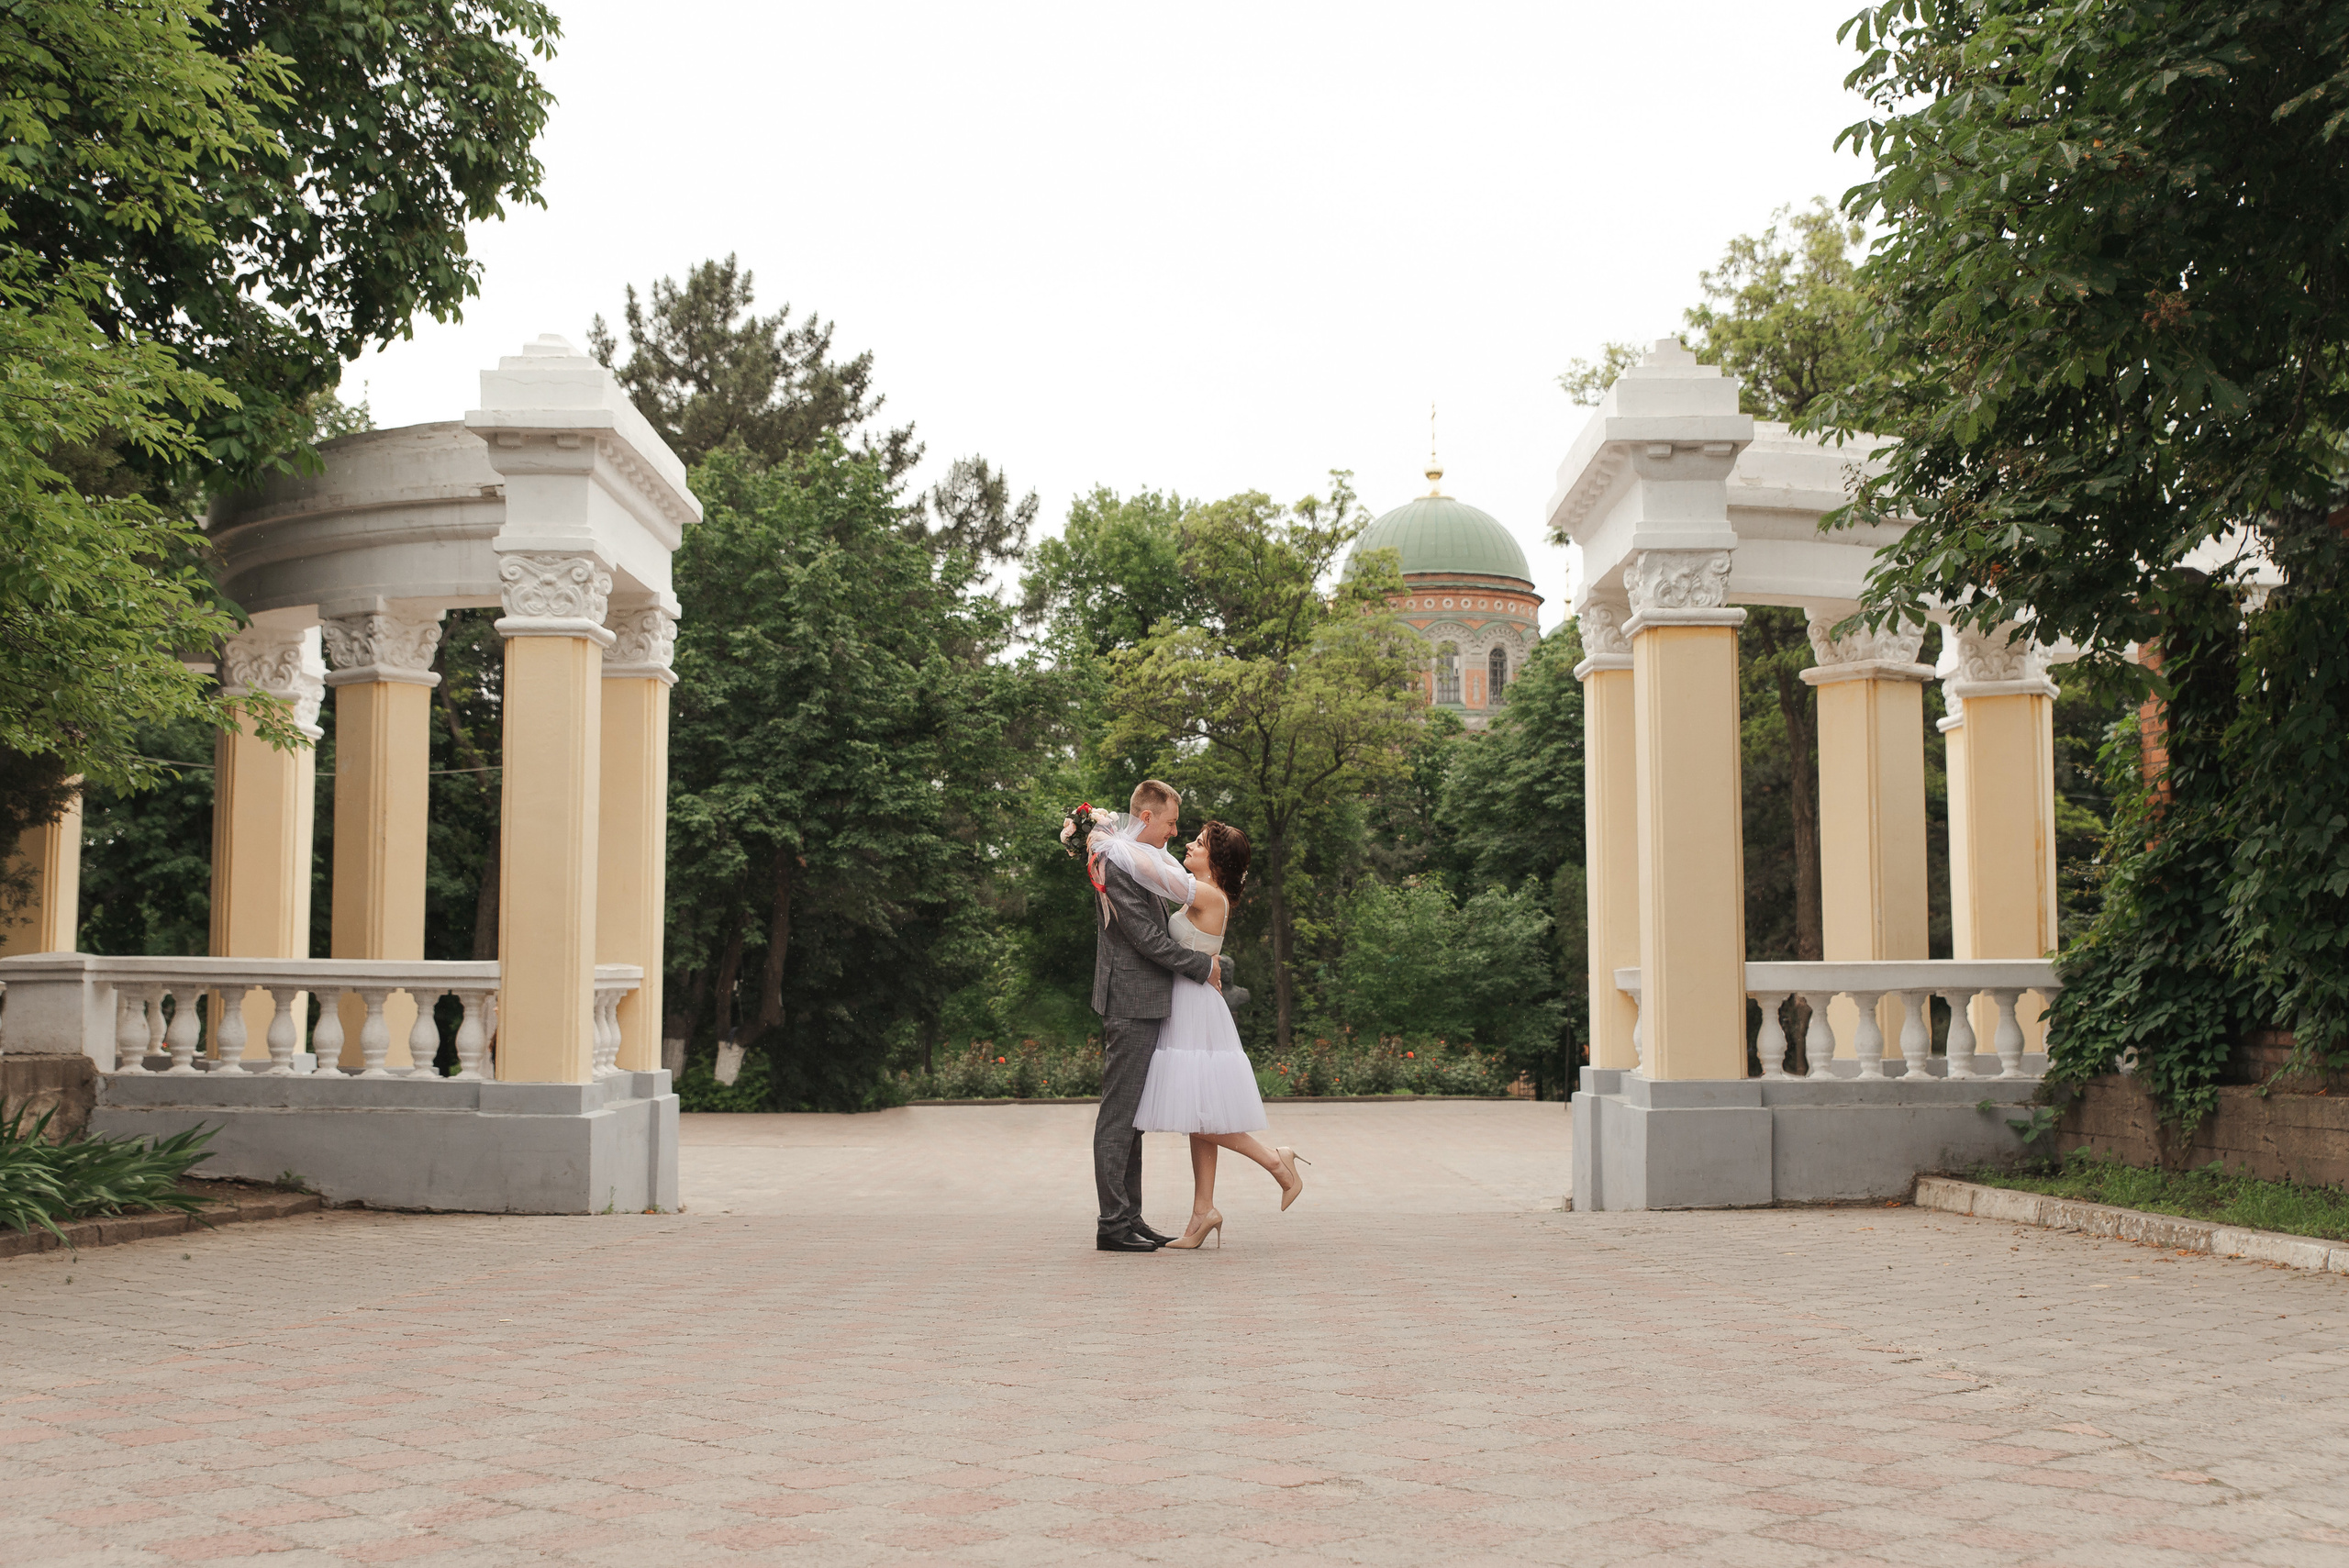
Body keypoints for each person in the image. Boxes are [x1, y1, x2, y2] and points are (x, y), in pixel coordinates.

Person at [1131, 819, 1306, 1250]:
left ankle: (1276, 1163)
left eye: (1199, 843)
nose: (1188, 844)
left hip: (1194, 1010)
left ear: (1217, 859)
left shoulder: (1208, 893)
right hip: (1191, 1004)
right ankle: (1203, 1212)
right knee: (1198, 1114)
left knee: (1200, 1115)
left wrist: (1106, 836)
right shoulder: (1207, 892)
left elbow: (1155, 871)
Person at [1085, 779, 1231, 1252]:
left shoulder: (1139, 861)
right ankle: (1113, 1225)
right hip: (1129, 1000)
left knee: (1133, 1119)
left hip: (1143, 1000)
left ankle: (1131, 1216)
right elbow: (1146, 939)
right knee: (1119, 1117)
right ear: (1146, 818)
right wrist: (1203, 967)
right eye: (1170, 822)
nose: (1174, 832)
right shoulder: (1120, 863)